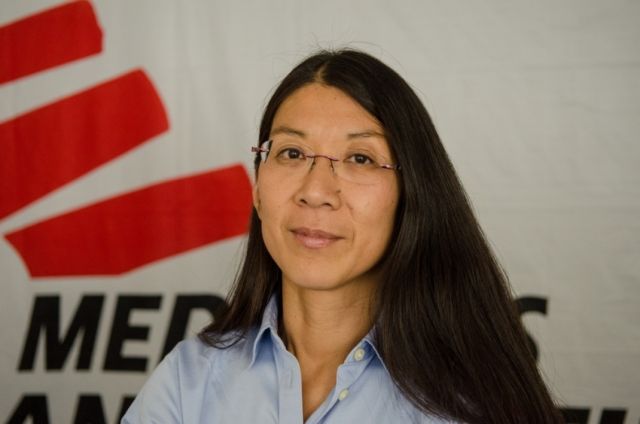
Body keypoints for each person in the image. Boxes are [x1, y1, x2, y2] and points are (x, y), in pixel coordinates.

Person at [122, 49, 564, 423]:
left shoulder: (472, 406)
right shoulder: (189, 380)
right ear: (257, 189)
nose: (316, 191)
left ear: (411, 194)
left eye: (360, 158)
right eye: (292, 152)